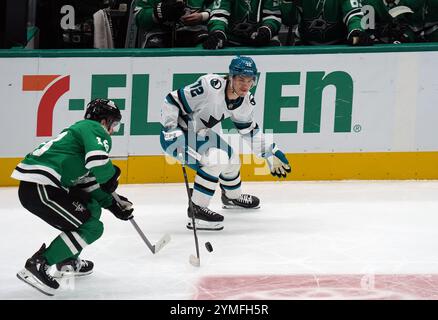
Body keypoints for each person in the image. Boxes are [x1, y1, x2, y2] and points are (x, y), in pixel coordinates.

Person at [11, 99, 134, 296]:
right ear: (104, 122)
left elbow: (87, 183)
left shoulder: (78, 136)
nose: (112, 131)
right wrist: (110, 178)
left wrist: (112, 203)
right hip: (41, 187)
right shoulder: (94, 129)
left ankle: (66, 260)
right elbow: (98, 162)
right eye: (114, 125)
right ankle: (37, 265)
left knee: (92, 208)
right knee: (92, 227)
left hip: (43, 186)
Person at [160, 56, 291, 231]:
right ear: (231, 77)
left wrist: (269, 151)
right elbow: (172, 100)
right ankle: (197, 209)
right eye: (241, 79)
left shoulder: (245, 101)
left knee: (232, 159)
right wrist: (170, 128)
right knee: (217, 159)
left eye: (250, 80)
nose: (246, 85)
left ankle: (231, 197)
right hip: (176, 136)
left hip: (200, 134)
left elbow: (248, 130)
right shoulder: (209, 86)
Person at [203, 0, 283, 49]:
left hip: (260, 40)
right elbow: (219, 15)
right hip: (232, 40)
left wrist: (267, 30)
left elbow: (272, 15)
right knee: (213, 43)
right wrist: (218, 31)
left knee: (274, 46)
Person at [287, 0, 373, 45]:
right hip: (304, 43)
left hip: (339, 44)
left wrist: (356, 30)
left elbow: (353, 14)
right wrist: (287, 3)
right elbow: (288, 19)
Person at [133, 0, 213, 47]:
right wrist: (159, 12)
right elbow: (139, 18)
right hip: (160, 33)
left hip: (197, 31)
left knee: (208, 46)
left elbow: (221, 8)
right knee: (153, 53)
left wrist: (203, 16)